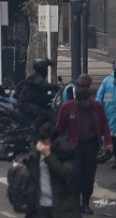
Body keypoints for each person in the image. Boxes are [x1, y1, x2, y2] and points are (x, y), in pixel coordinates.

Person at [55, 84, 113, 214]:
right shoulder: (67, 107)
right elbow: (59, 127)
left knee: (88, 176)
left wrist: (108, 142)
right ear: (78, 100)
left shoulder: (96, 107)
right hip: (73, 146)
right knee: (75, 176)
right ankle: (74, 204)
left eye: (88, 101)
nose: (87, 104)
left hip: (91, 146)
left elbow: (104, 123)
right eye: (84, 102)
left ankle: (85, 203)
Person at [21, 122, 77, 218]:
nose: (44, 147)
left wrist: (48, 155)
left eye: (47, 144)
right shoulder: (35, 153)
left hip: (60, 206)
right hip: (39, 206)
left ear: (54, 141)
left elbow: (64, 174)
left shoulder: (65, 153)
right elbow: (31, 175)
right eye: (42, 143)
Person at [20, 58, 59, 134]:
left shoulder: (38, 78)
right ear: (41, 68)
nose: (47, 71)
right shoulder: (35, 78)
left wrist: (50, 97)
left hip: (32, 102)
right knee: (43, 113)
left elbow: (39, 93)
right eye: (46, 68)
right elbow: (42, 85)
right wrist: (54, 87)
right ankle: (33, 132)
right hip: (26, 103)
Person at [98, 62, 116, 158]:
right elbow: (99, 96)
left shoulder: (107, 81)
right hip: (109, 113)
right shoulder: (107, 81)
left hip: (110, 113)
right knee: (111, 136)